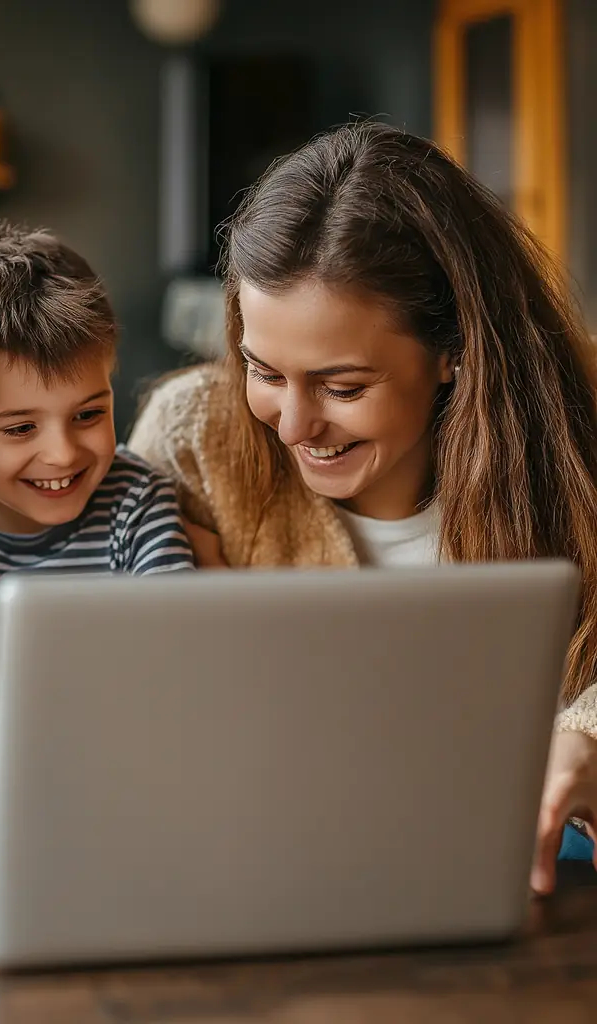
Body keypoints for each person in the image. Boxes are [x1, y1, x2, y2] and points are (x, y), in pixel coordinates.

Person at [128, 121, 597, 894]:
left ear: (457, 352)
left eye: (343, 388)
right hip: (262, 884)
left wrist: (585, 740)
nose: (293, 424)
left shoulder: (573, 436)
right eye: (263, 371)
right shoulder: (193, 440)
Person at [0, 222, 194, 717]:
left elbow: (180, 658)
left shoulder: (135, 501)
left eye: (88, 415)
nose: (62, 454)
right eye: (20, 429)